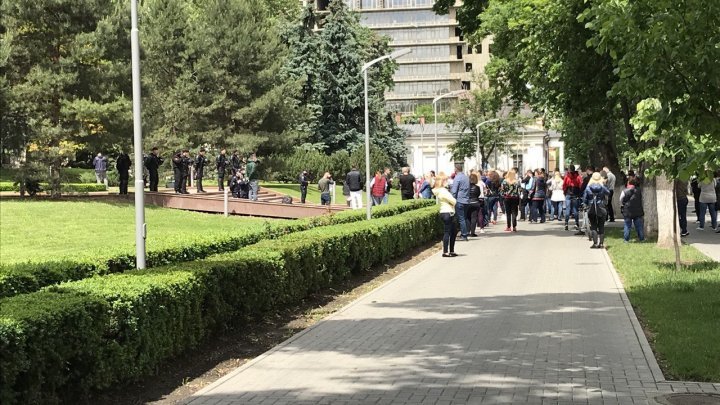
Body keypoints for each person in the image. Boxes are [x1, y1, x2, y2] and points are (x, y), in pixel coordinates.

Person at [432, 173, 457, 258]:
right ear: (442, 182)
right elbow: (453, 201)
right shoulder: (443, 191)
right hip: (448, 212)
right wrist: (453, 202)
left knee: (453, 231)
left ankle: (451, 250)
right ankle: (446, 251)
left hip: (446, 211)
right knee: (448, 232)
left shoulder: (440, 190)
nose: (447, 181)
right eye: (446, 180)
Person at [583, 172, 610, 249]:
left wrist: (585, 204)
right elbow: (608, 192)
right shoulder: (602, 187)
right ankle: (601, 244)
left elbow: (584, 198)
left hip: (591, 208)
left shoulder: (588, 187)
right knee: (601, 226)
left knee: (593, 226)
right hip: (601, 207)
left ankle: (595, 243)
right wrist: (604, 185)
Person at [620, 177, 645, 242]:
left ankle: (626, 240)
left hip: (627, 210)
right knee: (639, 226)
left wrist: (624, 203)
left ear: (628, 182)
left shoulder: (624, 190)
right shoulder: (639, 190)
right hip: (638, 210)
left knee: (627, 225)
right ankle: (642, 239)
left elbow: (621, 199)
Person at [450, 164, 470, 241]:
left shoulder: (457, 178)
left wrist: (452, 200)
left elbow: (454, 191)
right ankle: (466, 232)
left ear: (456, 169)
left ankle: (464, 235)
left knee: (461, 219)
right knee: (464, 218)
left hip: (460, 200)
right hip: (466, 200)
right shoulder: (466, 177)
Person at [563, 165, 583, 231]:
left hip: (568, 193)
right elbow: (581, 185)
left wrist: (564, 192)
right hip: (575, 194)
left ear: (568, 169)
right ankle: (576, 223)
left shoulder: (567, 176)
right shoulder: (578, 176)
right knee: (575, 209)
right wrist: (580, 193)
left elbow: (564, 185)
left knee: (568, 209)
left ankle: (566, 223)